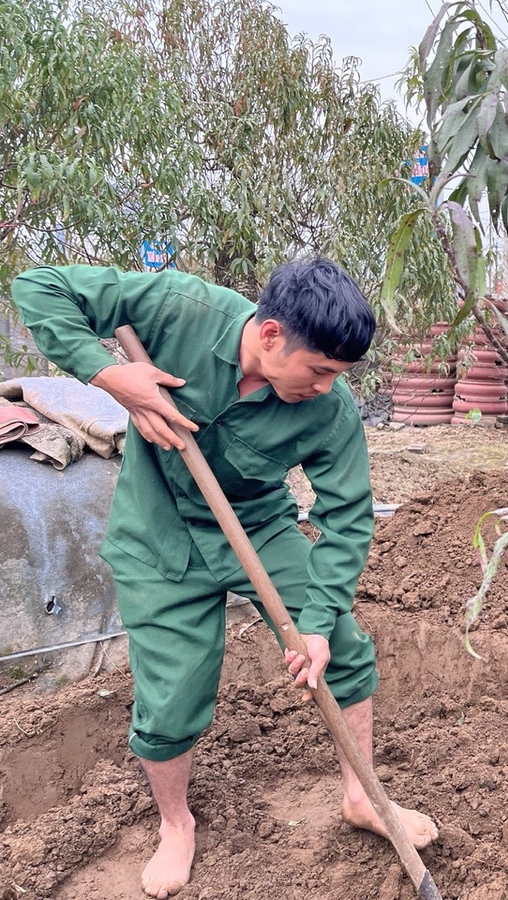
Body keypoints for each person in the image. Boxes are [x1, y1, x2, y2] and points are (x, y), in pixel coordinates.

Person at [11, 260, 438, 899]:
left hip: (256, 524)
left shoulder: (329, 410)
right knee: (173, 693)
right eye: (319, 370)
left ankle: (362, 795)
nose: (327, 387)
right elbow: (38, 287)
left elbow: (347, 518)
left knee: (341, 648)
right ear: (269, 335)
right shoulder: (180, 308)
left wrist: (317, 625)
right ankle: (175, 824)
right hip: (157, 528)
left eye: (339, 375)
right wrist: (109, 375)